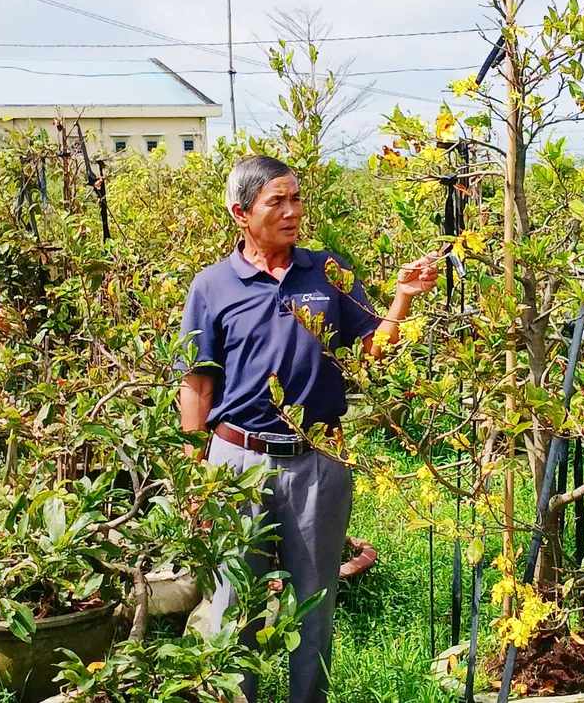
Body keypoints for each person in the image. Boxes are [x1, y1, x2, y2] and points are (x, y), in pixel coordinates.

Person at [176, 154, 438, 703]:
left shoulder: (327, 271)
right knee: (232, 602)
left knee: (314, 602)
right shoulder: (212, 286)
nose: (293, 211)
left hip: (318, 459)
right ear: (241, 213)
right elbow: (197, 383)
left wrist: (402, 299)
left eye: (296, 199)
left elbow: (373, 349)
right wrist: (195, 473)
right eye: (278, 201)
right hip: (237, 464)